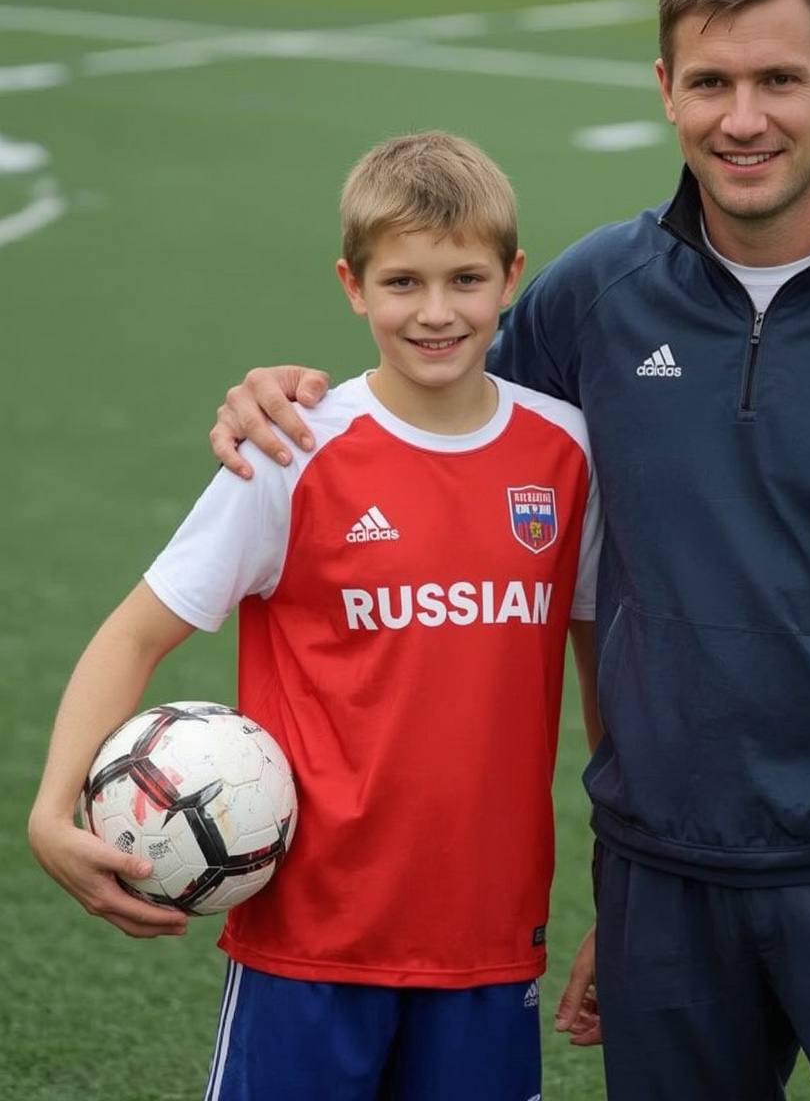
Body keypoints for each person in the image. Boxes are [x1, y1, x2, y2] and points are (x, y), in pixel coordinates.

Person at [208, 0, 810, 1101]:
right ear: (666, 90)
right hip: (664, 893)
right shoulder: (595, 297)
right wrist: (290, 397)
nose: (742, 119)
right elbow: (437, 409)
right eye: (710, 83)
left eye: (778, 80)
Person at [27, 131, 603, 1101]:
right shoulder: (291, 450)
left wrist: (624, 890)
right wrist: (52, 810)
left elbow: (607, 675)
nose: (435, 312)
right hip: (309, 940)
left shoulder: (565, 452)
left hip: (493, 937)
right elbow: (135, 632)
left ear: (511, 278)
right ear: (352, 286)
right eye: (402, 282)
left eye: (465, 280)